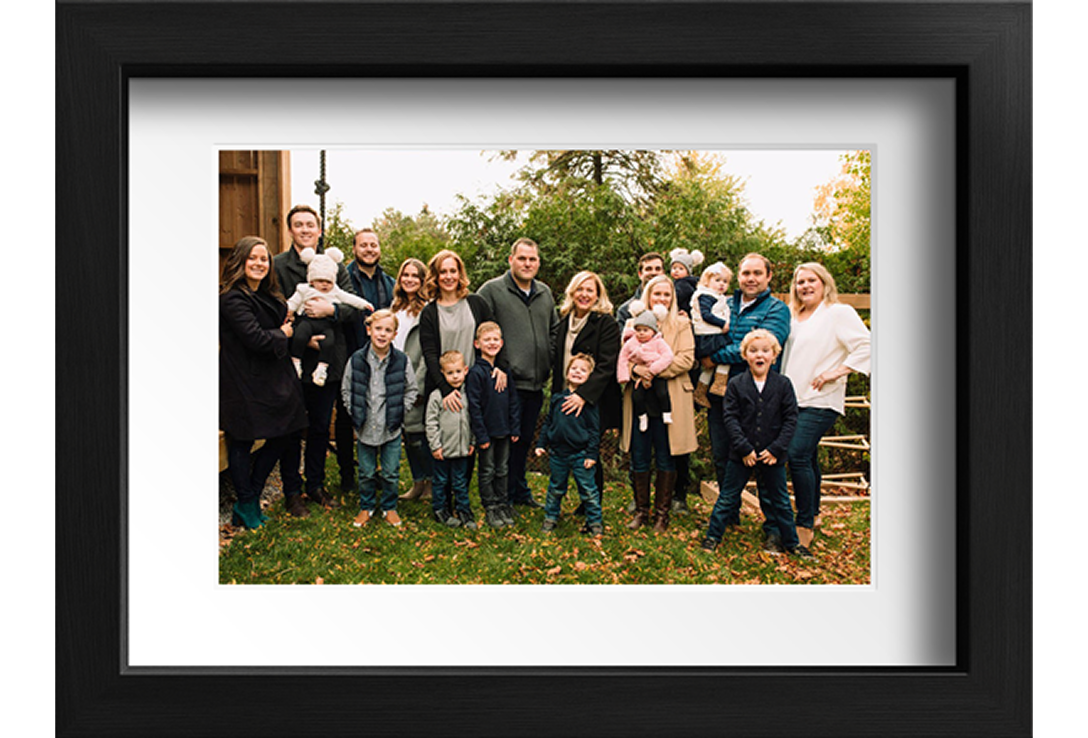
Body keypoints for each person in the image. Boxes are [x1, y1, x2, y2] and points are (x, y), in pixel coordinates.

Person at [273, 204, 359, 510]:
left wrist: (330, 310)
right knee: (292, 427)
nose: (305, 230)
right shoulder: (278, 266)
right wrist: (301, 335)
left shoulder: (334, 266)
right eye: (299, 225)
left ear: (319, 230)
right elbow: (276, 308)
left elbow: (351, 308)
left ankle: (316, 485)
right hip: (293, 359)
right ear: (290, 230)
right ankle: (292, 490)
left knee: (321, 426)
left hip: (328, 360)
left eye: (310, 225)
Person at [219, 236, 309, 525]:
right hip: (243, 380)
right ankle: (246, 505)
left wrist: (283, 330)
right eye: (253, 258)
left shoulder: (269, 295)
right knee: (242, 440)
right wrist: (282, 334)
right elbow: (255, 338)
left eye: (264, 259)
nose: (259, 263)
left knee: (286, 432)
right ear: (240, 261)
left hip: (272, 378)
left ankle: (252, 496)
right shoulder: (232, 298)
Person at [782, 262, 871, 550]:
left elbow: (867, 345)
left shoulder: (838, 313)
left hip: (820, 398)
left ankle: (804, 524)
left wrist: (838, 371)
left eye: (812, 280)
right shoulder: (793, 315)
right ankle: (815, 513)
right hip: (792, 397)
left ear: (824, 283)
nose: (805, 286)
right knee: (807, 457)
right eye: (800, 282)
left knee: (796, 454)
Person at [701, 329, 809, 558]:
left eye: (765, 351)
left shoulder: (783, 384)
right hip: (742, 455)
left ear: (774, 355)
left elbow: (791, 419)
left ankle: (792, 542)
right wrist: (744, 448)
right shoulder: (736, 384)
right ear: (745, 356)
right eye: (753, 351)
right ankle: (712, 537)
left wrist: (776, 449)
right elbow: (730, 418)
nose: (759, 355)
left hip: (772, 455)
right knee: (728, 496)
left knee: (780, 501)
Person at [702, 253, 791, 511]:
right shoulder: (724, 303)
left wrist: (712, 356)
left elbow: (762, 346)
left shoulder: (776, 309)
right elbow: (705, 333)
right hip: (722, 392)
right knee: (722, 454)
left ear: (768, 276)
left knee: (765, 460)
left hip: (761, 396)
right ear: (738, 276)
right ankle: (729, 514)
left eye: (757, 273)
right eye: (746, 273)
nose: (751, 279)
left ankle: (773, 523)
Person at [475, 237, 557, 509]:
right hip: (504, 383)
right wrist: (497, 366)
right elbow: (480, 333)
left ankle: (519, 490)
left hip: (536, 382)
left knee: (523, 441)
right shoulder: (492, 291)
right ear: (511, 260)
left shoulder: (544, 292)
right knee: (504, 443)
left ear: (538, 263)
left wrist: (549, 358)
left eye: (532, 259)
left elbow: (554, 331)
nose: (527, 264)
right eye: (522, 258)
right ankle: (502, 497)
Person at [618, 275, 698, 531]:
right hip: (639, 399)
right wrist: (635, 370)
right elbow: (624, 357)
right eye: (657, 294)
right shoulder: (632, 323)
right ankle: (641, 511)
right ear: (647, 296)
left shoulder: (681, 324)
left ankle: (662, 514)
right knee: (640, 455)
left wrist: (651, 371)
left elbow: (686, 359)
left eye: (666, 294)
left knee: (666, 455)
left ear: (672, 298)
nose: (661, 299)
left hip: (669, 399)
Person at [340, 309, 418, 528]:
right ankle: (366, 506)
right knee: (366, 472)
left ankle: (389, 507)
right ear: (369, 330)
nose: (382, 334)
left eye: (388, 330)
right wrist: (355, 411)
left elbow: (411, 389)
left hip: (390, 426)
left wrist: (400, 411)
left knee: (391, 472)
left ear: (394, 334)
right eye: (378, 329)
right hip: (365, 426)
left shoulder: (401, 360)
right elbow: (346, 389)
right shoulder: (356, 359)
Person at [551, 271, 622, 503]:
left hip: (594, 399)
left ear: (598, 295)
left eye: (590, 290)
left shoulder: (606, 323)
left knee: (588, 451)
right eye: (580, 289)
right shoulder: (564, 322)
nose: (584, 294)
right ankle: (576, 499)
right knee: (567, 448)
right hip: (566, 394)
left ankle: (592, 502)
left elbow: (607, 365)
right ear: (572, 292)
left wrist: (582, 395)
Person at [334, 227, 395, 494]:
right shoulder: (343, 278)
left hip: (382, 359)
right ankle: (348, 474)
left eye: (373, 245)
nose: (369, 249)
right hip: (350, 356)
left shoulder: (389, 283)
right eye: (364, 245)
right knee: (347, 417)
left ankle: (377, 471)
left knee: (379, 413)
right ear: (354, 249)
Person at [535, 353, 604, 537]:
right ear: (567, 373)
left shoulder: (589, 404)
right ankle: (551, 517)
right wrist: (541, 443)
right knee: (556, 488)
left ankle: (595, 522)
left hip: (581, 454)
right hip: (558, 454)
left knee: (588, 490)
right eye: (574, 368)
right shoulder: (557, 398)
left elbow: (594, 430)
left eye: (583, 370)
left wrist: (591, 454)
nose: (577, 372)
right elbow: (549, 422)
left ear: (589, 377)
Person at [285, 247, 373, 387]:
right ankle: (296, 362)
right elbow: (293, 302)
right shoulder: (304, 289)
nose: (325, 285)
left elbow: (350, 298)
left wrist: (364, 304)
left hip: (326, 325)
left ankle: (322, 369)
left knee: (329, 343)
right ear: (312, 281)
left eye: (329, 282)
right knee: (300, 336)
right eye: (320, 281)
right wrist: (288, 310)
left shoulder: (335, 291)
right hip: (307, 322)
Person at [466, 322, 522, 529]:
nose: (491, 343)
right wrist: (481, 435)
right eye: (487, 339)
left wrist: (515, 427)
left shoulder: (504, 372)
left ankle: (502, 503)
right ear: (477, 344)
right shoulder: (476, 373)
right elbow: (474, 406)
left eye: (495, 339)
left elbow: (513, 401)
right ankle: (490, 506)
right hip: (487, 433)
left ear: (501, 343)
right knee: (487, 470)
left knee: (502, 469)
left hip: (504, 430)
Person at [389, 258, 434, 503]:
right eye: (405, 275)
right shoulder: (394, 307)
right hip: (394, 376)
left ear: (423, 280)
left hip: (416, 375)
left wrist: (418, 384)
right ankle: (418, 482)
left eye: (415, 276)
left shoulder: (427, 309)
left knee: (419, 434)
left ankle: (430, 482)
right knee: (407, 433)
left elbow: (429, 349)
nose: (409, 279)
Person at [425, 350, 477, 529]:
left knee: (460, 482)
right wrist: (435, 446)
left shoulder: (469, 394)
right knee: (440, 481)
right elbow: (431, 423)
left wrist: (472, 441)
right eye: (450, 373)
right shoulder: (436, 396)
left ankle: (463, 511)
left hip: (462, 449)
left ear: (465, 370)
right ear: (442, 373)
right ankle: (440, 510)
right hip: (443, 450)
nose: (455, 376)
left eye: (458, 371)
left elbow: (472, 420)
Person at [616, 306, 675, 431]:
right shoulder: (631, 342)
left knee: (662, 393)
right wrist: (623, 376)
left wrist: (653, 370)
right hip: (639, 377)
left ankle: (667, 412)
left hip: (656, 373)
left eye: (645, 330)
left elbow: (668, 356)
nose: (641, 333)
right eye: (638, 330)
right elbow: (623, 357)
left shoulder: (658, 342)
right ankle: (642, 416)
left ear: (653, 331)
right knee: (637, 397)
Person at [690, 260, 734, 407]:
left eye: (725, 281)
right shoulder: (706, 295)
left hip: (710, 335)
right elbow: (706, 315)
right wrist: (723, 324)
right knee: (726, 356)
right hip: (709, 336)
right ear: (706, 281)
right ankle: (719, 384)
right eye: (717, 280)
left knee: (709, 367)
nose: (722, 284)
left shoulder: (716, 296)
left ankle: (700, 391)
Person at [615, 251, 666, 327]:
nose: (653, 272)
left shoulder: (673, 304)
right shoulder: (626, 310)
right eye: (648, 269)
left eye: (658, 269)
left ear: (663, 273)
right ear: (640, 274)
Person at [668, 247, 703, 316]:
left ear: (688, 272)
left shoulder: (683, 284)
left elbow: (676, 297)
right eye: (674, 268)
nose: (676, 271)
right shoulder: (679, 282)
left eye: (681, 269)